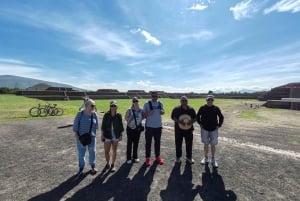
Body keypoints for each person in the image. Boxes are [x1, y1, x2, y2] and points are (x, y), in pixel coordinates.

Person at [196, 95, 224, 168]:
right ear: (206, 100)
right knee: (206, 144)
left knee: (213, 145)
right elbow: (197, 116)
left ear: (213, 100)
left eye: (211, 100)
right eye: (208, 100)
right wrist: (200, 124)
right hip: (204, 129)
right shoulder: (202, 108)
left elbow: (221, 117)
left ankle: (213, 159)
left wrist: (219, 125)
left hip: (214, 129)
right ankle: (205, 157)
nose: (210, 101)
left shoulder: (216, 108)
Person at [73, 99, 99, 175]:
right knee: (81, 153)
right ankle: (81, 167)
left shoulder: (94, 114)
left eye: (94, 105)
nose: (94, 107)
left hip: (92, 137)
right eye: (92, 105)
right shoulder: (80, 114)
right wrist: (77, 138)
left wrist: (94, 135)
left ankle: (93, 166)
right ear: (87, 106)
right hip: (81, 138)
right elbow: (75, 127)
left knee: (92, 151)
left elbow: (96, 126)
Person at [171, 96, 196, 164]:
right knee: (178, 144)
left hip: (189, 130)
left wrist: (191, 122)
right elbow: (173, 117)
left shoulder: (191, 109)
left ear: (187, 101)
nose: (184, 102)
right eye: (183, 101)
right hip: (178, 130)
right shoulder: (176, 109)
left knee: (189, 144)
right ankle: (178, 157)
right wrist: (179, 121)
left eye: (185, 101)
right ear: (180, 101)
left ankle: (189, 157)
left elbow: (195, 118)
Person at [101, 100, 124, 172]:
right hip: (107, 134)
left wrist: (120, 135)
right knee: (106, 151)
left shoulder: (119, 115)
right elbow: (103, 125)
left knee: (114, 151)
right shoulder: (106, 115)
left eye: (114, 106)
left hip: (116, 135)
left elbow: (121, 126)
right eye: (112, 106)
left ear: (117, 107)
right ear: (110, 107)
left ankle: (113, 164)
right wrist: (102, 135)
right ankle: (107, 163)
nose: (113, 107)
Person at [143, 91, 165, 166]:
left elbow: (163, 111)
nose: (154, 97)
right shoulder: (146, 104)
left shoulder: (160, 103)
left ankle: (157, 157)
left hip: (158, 127)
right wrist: (148, 113)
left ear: (157, 96)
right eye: (153, 96)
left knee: (157, 142)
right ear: (151, 96)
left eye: (156, 96)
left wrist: (162, 112)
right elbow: (143, 115)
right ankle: (147, 158)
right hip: (149, 127)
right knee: (148, 143)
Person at [125, 97, 145, 164]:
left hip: (137, 129)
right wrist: (132, 122)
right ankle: (128, 158)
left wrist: (138, 121)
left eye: (137, 101)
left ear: (138, 102)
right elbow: (126, 118)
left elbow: (143, 116)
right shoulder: (129, 110)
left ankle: (135, 157)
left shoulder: (141, 110)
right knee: (129, 143)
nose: (136, 102)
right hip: (130, 129)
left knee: (136, 143)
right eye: (134, 101)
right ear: (133, 102)